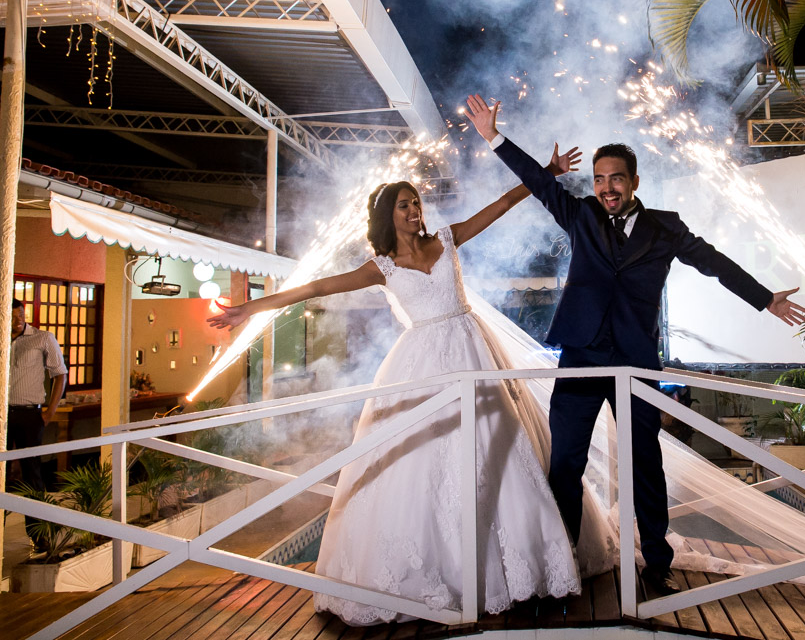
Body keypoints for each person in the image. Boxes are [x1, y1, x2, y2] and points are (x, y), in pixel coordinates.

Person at [207, 146, 616, 625]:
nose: (414, 209)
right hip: (421, 366)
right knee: (425, 462)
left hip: (471, 353)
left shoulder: (445, 239)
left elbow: (501, 206)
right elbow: (317, 288)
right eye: (404, 204)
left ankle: (525, 567)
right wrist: (249, 310)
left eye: (416, 202)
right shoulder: (380, 267)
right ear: (388, 215)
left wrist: (545, 173)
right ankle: (435, 576)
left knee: (500, 451)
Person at [464, 93, 805, 595]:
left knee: (645, 464)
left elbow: (714, 263)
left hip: (635, 360)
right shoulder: (578, 214)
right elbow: (539, 184)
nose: (606, 187)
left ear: (634, 182)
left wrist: (764, 299)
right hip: (579, 358)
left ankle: (658, 564)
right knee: (565, 465)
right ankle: (563, 568)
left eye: (615, 178)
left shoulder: (665, 227)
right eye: (599, 178)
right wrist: (493, 136)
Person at [8, 298, 68, 539]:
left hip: (30, 413)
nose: (17, 320)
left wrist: (49, 412)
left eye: (20, 315)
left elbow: (59, 374)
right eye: (12, 316)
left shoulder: (42, 338)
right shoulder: (3, 338)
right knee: (2, 473)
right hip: (4, 415)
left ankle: (39, 535)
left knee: (31, 471)